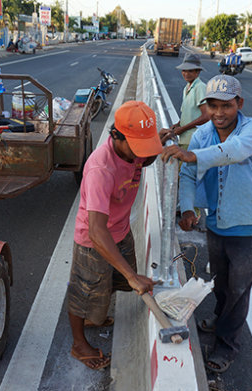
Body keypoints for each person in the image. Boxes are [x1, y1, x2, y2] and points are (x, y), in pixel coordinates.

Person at [161, 74, 252, 373]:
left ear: (239, 104)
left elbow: (234, 153)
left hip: (247, 226)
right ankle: (220, 319)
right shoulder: (202, 134)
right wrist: (187, 210)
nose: (219, 113)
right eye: (213, 106)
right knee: (221, 283)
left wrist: (192, 155)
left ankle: (226, 346)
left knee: (238, 290)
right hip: (217, 224)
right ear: (205, 106)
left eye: (226, 106)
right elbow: (188, 175)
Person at [67, 100, 162, 370]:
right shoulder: (100, 168)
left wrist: (155, 143)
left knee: (110, 282)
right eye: (138, 147)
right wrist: (134, 277)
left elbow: (148, 155)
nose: (142, 156)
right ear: (117, 136)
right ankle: (78, 343)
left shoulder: (137, 152)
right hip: (94, 241)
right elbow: (97, 231)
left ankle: (93, 316)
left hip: (120, 230)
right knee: (83, 291)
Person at [159, 53, 210, 151]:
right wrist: (178, 124)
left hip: (194, 140)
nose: (186, 74)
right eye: (184, 70)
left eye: (190, 71)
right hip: (185, 139)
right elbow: (190, 114)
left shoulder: (200, 87)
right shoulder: (186, 88)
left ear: (197, 72)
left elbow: (206, 116)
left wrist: (182, 129)